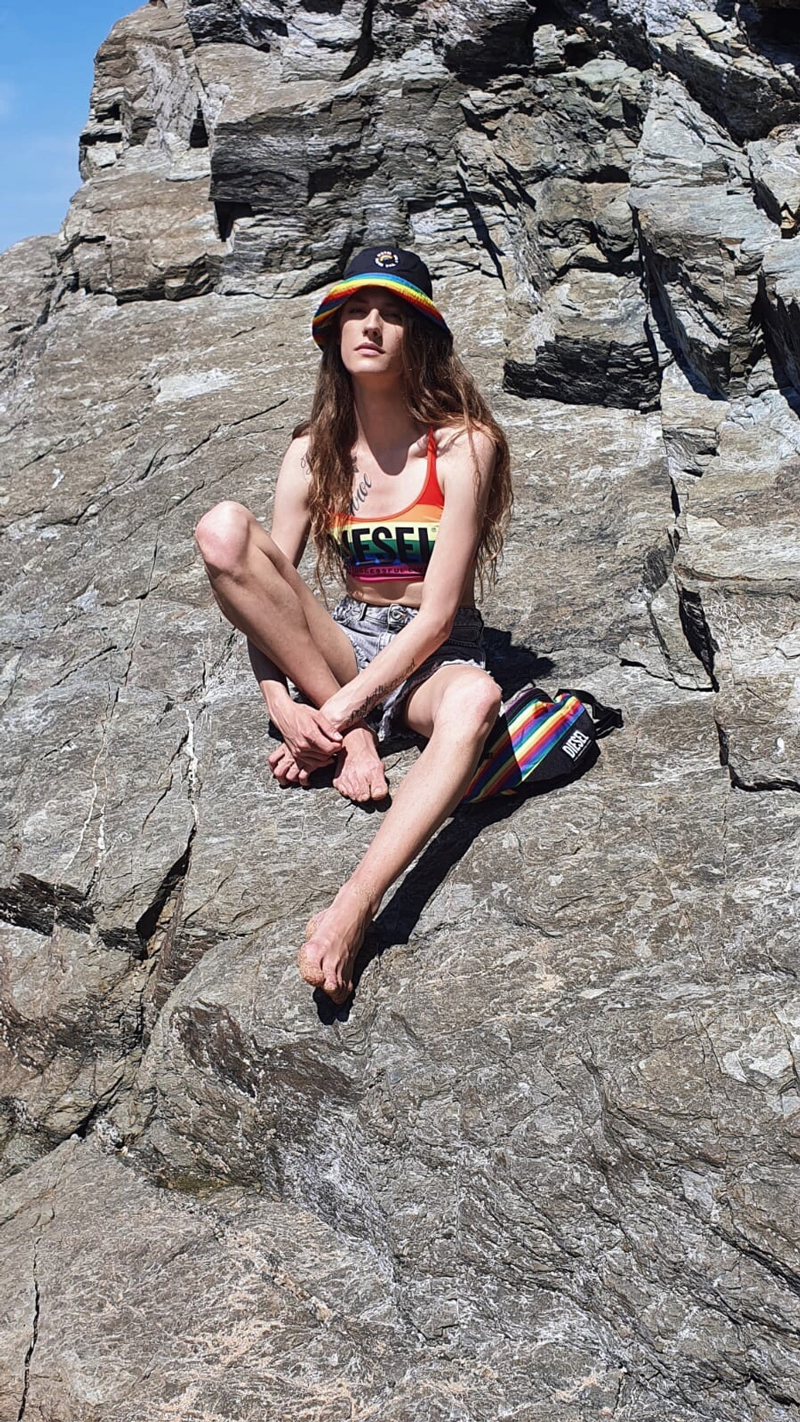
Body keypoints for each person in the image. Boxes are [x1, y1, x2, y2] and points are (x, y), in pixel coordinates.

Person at [195, 244, 513, 1003]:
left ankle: (353, 908)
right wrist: (284, 705)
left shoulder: (466, 446)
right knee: (223, 530)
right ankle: (361, 736)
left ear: (420, 337)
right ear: (333, 331)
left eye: (392, 314)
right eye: (356, 311)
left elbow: (436, 617)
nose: (370, 326)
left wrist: (335, 715)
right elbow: (261, 597)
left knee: (475, 701)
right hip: (345, 641)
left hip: (432, 653)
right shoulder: (311, 453)